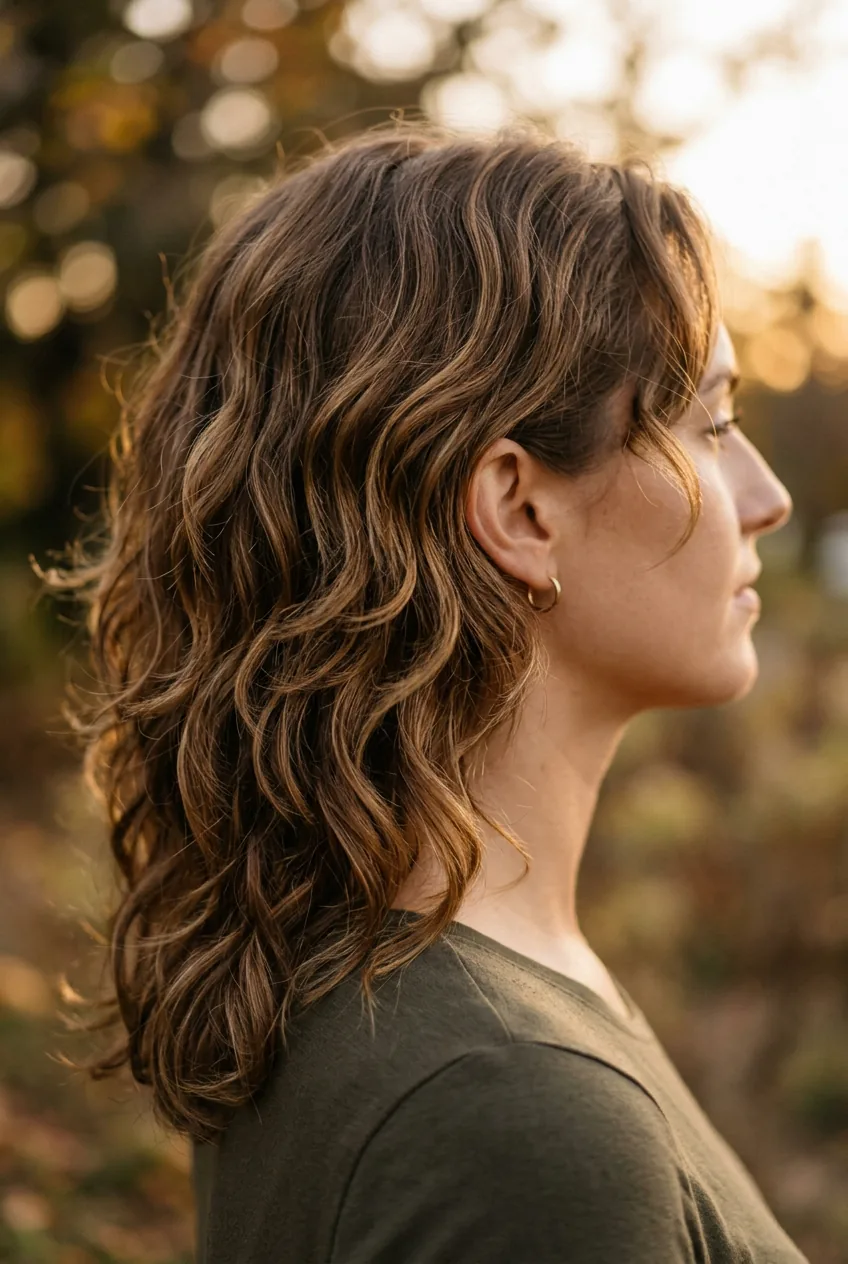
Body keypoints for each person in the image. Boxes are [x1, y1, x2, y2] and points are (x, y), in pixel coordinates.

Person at [42, 119, 806, 1262]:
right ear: (516, 507)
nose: (767, 496)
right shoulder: (509, 1110)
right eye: (711, 423)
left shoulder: (360, 962)